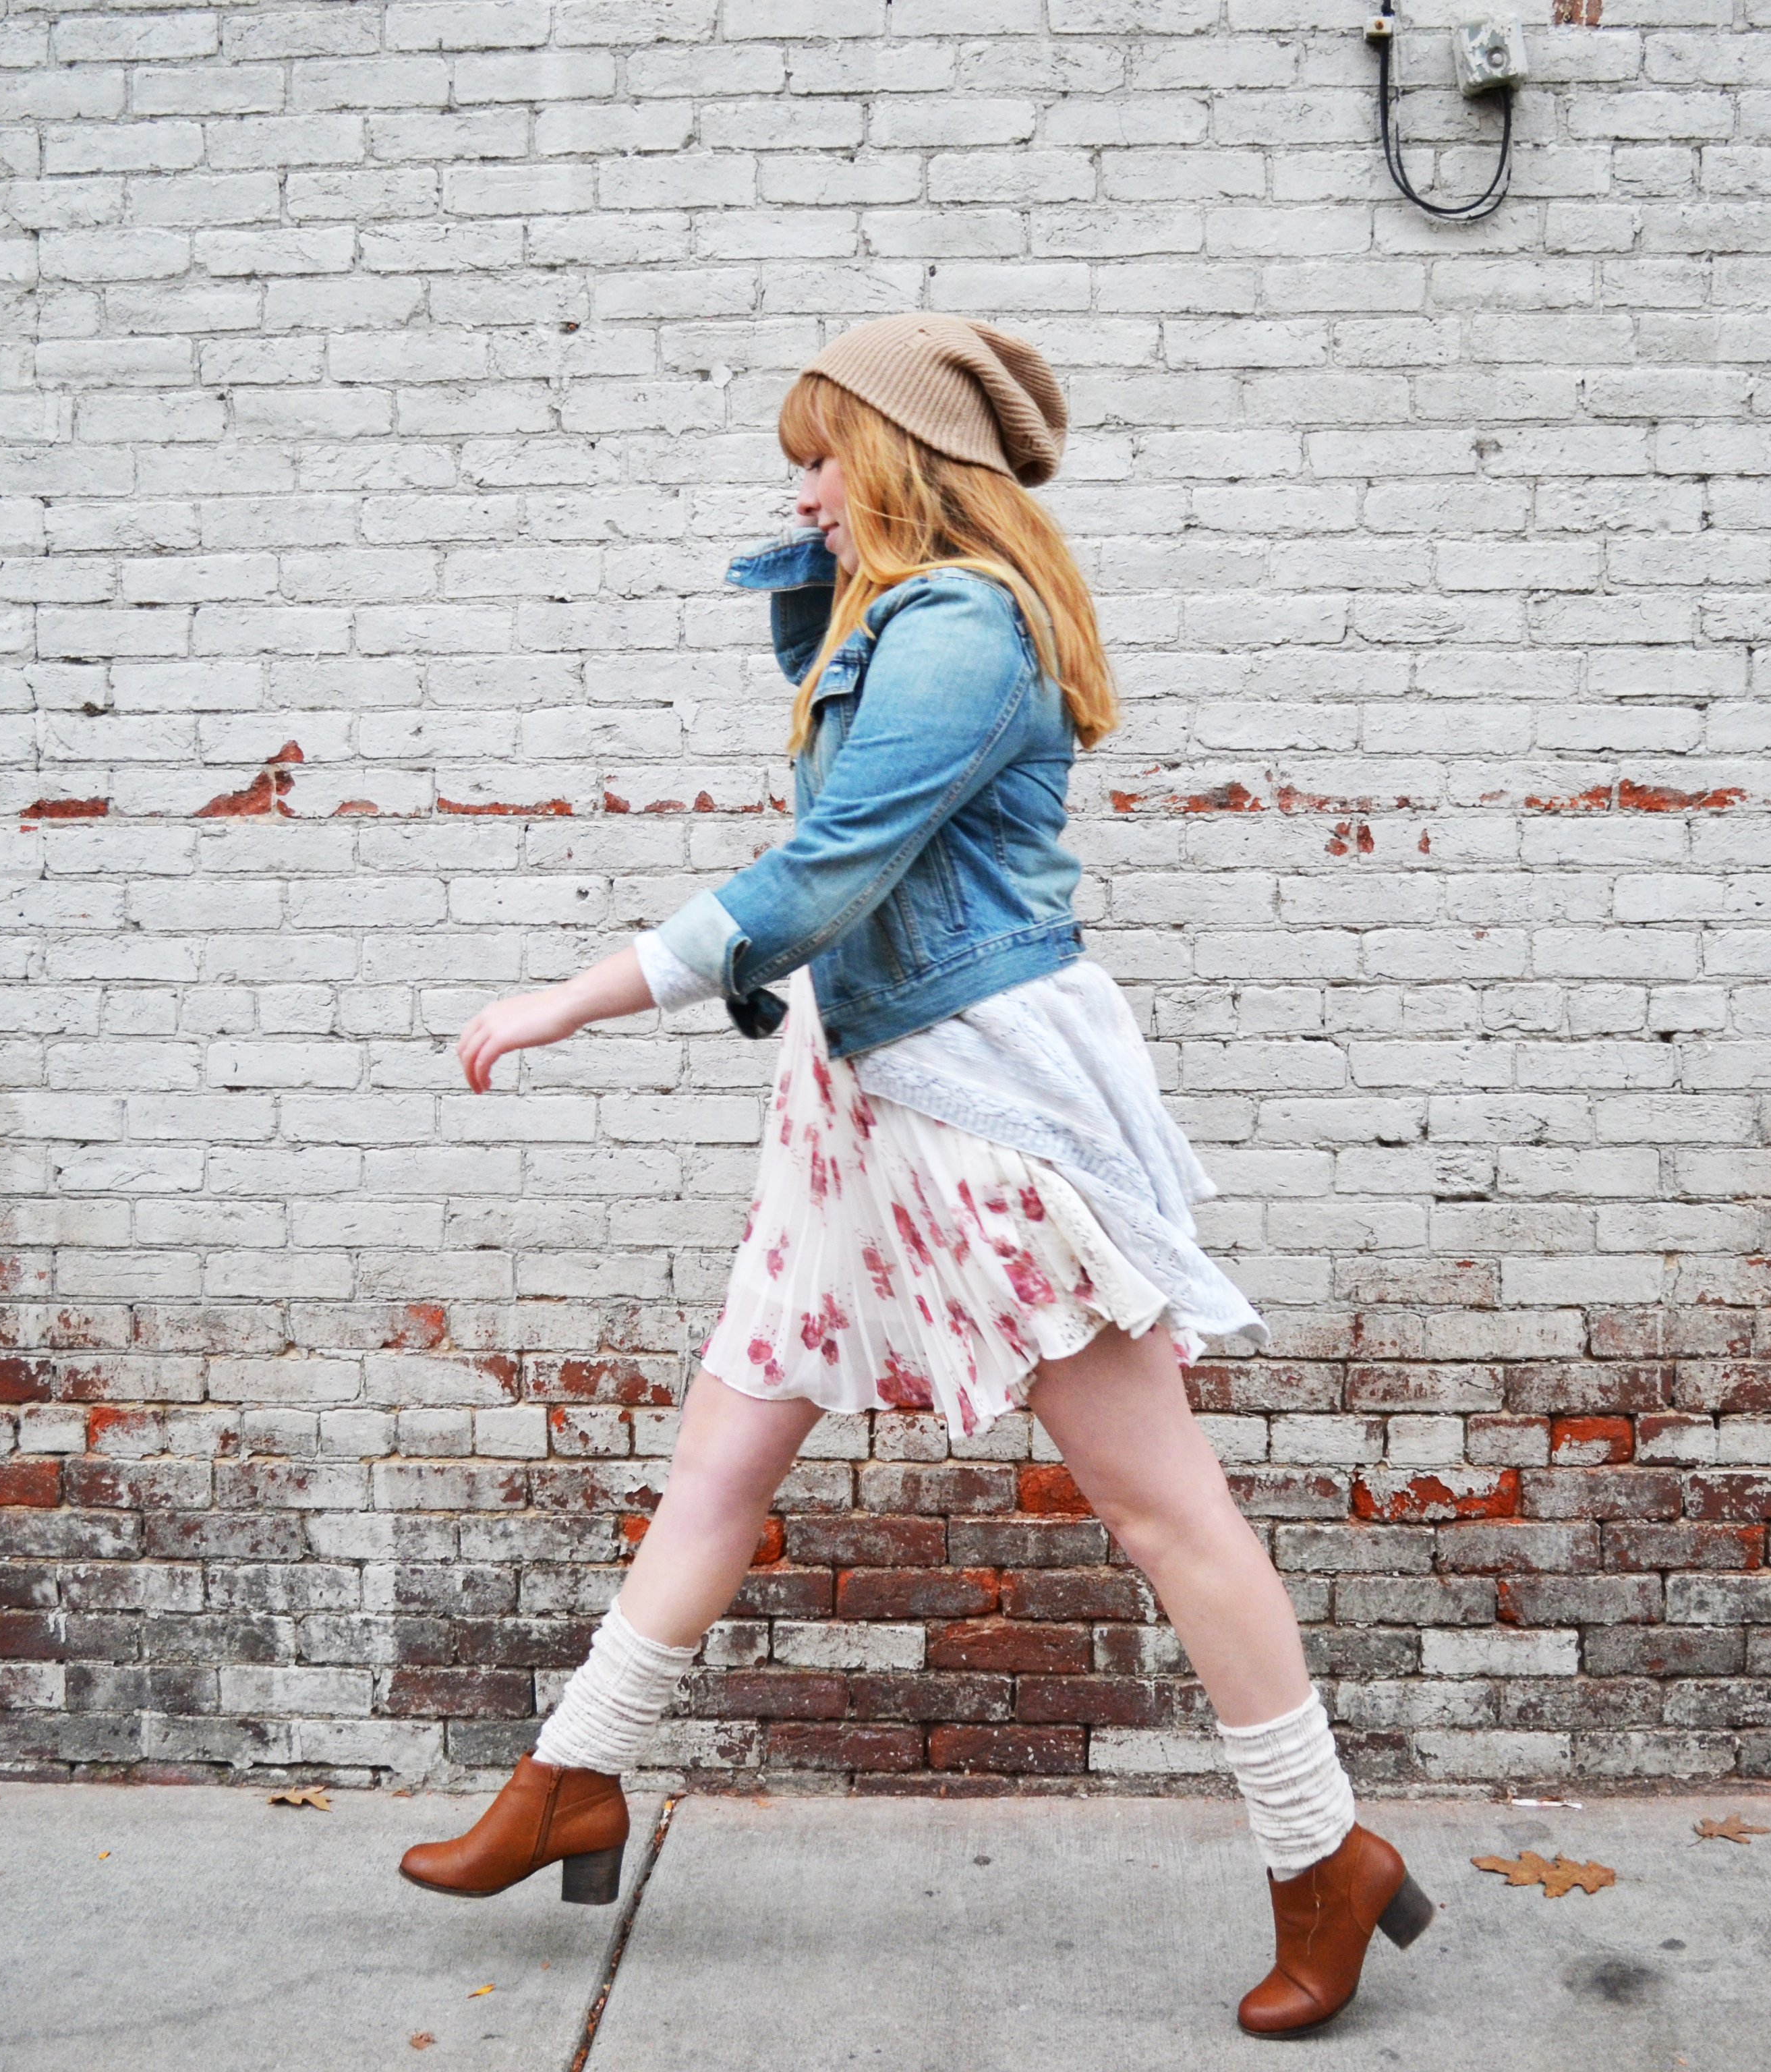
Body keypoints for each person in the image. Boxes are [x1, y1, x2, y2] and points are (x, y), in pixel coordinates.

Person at [397, 314, 1430, 2038]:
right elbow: (836, 788)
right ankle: (573, 1777)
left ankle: (1325, 1853)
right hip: (857, 1099)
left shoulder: (965, 628)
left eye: (820, 456)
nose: (797, 487)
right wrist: (816, 574)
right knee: (722, 1453)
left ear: (890, 457)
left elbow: (821, 874)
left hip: (979, 1105)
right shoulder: (900, 612)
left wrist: (569, 1000)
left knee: (1163, 1504)